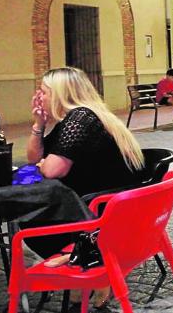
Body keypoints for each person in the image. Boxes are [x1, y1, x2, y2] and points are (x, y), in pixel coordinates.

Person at [27, 67, 145, 307]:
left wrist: (45, 165)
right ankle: (83, 260)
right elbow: (33, 159)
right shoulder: (83, 117)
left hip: (100, 215)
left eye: (44, 91)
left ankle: (87, 262)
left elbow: (51, 170)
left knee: (29, 218)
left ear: (60, 93)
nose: (40, 97)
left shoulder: (80, 119)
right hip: (111, 208)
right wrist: (38, 123)